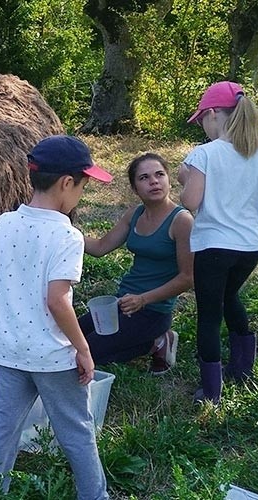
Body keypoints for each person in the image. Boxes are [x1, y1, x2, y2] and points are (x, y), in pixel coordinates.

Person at [0, 135, 113, 499]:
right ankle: (95, 496)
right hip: (52, 357)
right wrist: (83, 349)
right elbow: (58, 300)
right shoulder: (66, 235)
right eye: (83, 186)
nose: (81, 195)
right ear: (67, 183)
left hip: (8, 349)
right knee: (76, 429)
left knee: (3, 425)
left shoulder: (3, 223)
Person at [179, 81, 258, 403]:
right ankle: (243, 370)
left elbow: (190, 201)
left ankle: (211, 392)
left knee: (209, 315)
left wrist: (186, 177)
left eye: (201, 119)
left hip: (214, 246)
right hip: (250, 247)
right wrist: (245, 200)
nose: (202, 127)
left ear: (213, 114)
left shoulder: (204, 153)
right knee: (230, 297)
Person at [80, 153, 193, 374]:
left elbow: (188, 278)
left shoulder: (182, 221)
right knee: (70, 337)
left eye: (160, 174)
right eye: (144, 178)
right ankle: (150, 341)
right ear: (134, 188)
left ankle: (158, 342)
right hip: (122, 303)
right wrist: (63, 231)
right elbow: (100, 247)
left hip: (153, 311)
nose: (154, 181)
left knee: (87, 352)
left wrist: (143, 299)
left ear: (169, 180)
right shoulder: (135, 214)